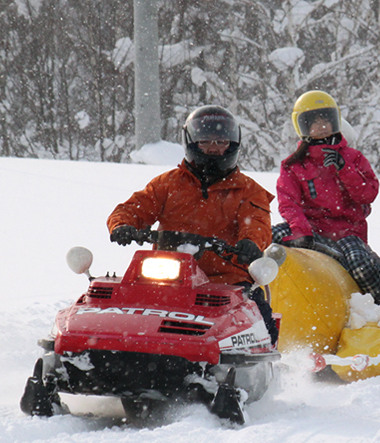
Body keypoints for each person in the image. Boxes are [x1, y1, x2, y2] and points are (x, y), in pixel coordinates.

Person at [106, 104, 278, 343]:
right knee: (120, 306)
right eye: (206, 141)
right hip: (167, 273)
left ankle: (260, 363)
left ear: (233, 144)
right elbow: (134, 207)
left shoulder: (249, 191)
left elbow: (257, 223)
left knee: (262, 321)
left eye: (221, 142)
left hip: (225, 278)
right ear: (192, 142)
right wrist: (122, 225)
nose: (214, 148)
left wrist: (250, 243)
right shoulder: (167, 184)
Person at [272, 90, 380, 305]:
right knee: (265, 239)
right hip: (310, 229)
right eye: (314, 122)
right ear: (303, 126)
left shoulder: (353, 158)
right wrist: (301, 230)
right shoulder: (293, 164)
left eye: (326, 120)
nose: (321, 126)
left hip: (347, 232)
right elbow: (288, 202)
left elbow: (368, 194)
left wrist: (344, 169)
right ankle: (255, 298)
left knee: (360, 266)